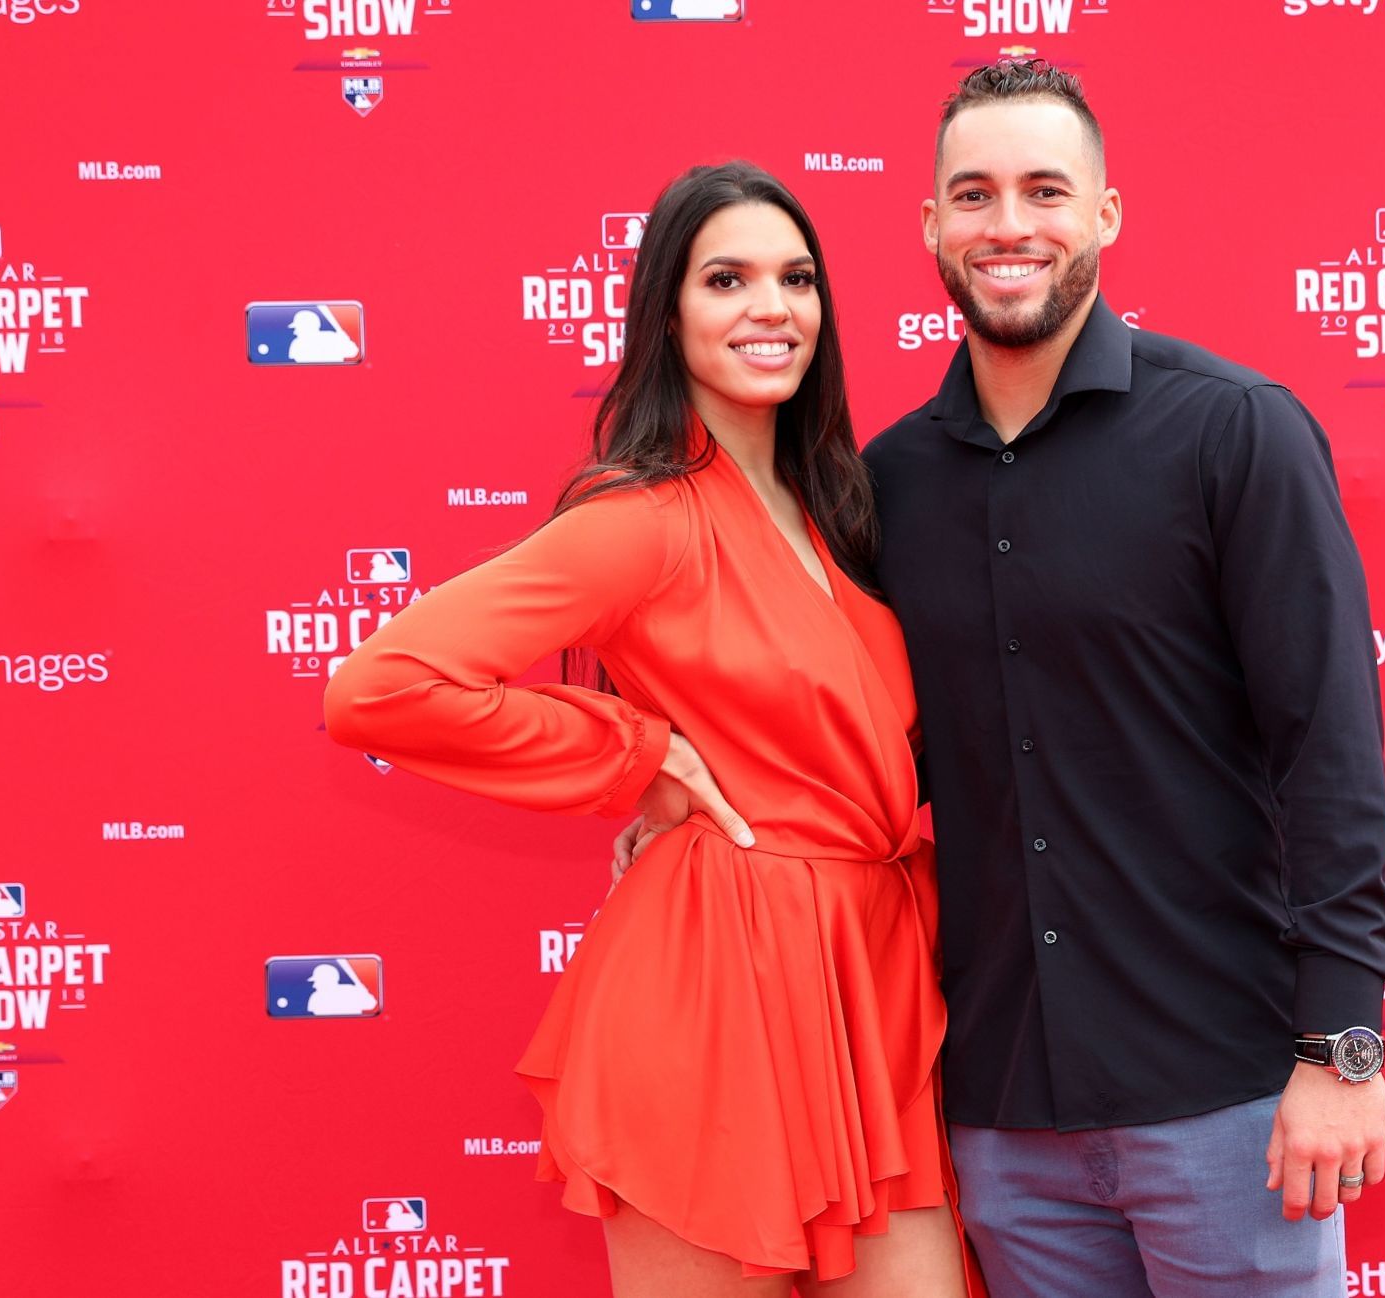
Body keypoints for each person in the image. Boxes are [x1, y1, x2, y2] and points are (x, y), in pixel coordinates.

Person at [325, 162, 970, 1298]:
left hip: (866, 984)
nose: (772, 306)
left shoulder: (841, 511)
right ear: (666, 315)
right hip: (719, 986)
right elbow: (378, 687)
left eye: (796, 277)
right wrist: (636, 755)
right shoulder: (644, 518)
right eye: (727, 278)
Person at [859, 61, 1385, 1297]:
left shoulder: (1235, 431)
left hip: (1231, 1101)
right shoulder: (885, 486)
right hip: (1005, 1115)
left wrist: (1344, 1051)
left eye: (1045, 190)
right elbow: (841, 742)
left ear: (1105, 215)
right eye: (975, 194)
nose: (1010, 225)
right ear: (932, 227)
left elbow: (1329, 749)